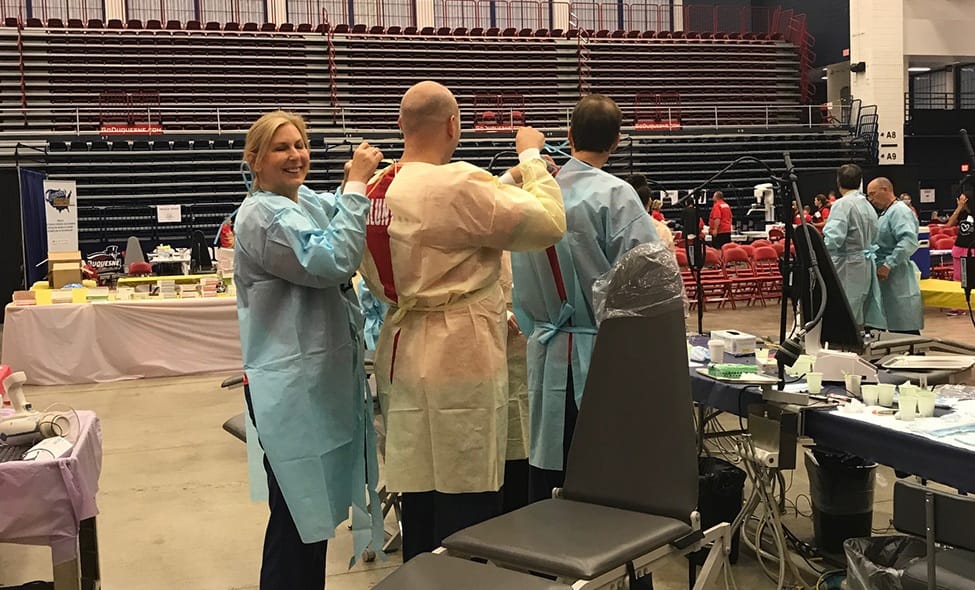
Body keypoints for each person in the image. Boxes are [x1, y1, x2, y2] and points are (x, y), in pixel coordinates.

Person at [358, 81, 566, 560]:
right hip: (460, 349)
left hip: (404, 345)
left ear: (401, 126)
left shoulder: (374, 189)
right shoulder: (458, 182)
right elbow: (548, 221)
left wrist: (507, 179)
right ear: (453, 126)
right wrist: (532, 159)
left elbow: (449, 219)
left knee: (421, 486)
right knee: (465, 481)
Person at [234, 111, 384, 590]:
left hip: (311, 384)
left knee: (311, 516)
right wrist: (358, 183)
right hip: (287, 388)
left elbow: (339, 206)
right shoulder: (263, 214)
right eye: (281, 148)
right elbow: (331, 259)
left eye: (300, 144)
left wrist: (353, 184)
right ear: (254, 160)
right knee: (297, 517)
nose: (296, 155)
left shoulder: (300, 201)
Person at [512, 94, 657, 502]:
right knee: (598, 471)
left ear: (569, 135)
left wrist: (531, 322)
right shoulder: (618, 196)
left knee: (548, 468)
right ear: (616, 142)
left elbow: (517, 276)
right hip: (600, 351)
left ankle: (544, 556)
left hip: (546, 343)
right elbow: (648, 283)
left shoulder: (537, 193)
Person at [822, 163, 885, 329]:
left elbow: (833, 239)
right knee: (859, 309)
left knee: (845, 311)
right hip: (864, 264)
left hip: (847, 266)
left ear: (838, 181)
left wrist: (820, 252)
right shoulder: (867, 205)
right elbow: (875, 235)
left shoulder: (842, 205)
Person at [867, 177, 923, 334]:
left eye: (873, 194)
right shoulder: (886, 213)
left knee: (904, 328)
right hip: (885, 278)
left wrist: (888, 264)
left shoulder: (900, 211)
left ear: (885, 189)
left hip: (896, 275)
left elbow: (909, 241)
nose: (871, 199)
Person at [946, 192, 975, 281]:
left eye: (963, 200)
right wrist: (958, 208)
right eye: (959, 200)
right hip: (959, 248)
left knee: (971, 277)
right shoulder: (961, 214)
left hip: (972, 249)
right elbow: (949, 225)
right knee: (959, 277)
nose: (960, 202)